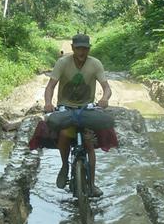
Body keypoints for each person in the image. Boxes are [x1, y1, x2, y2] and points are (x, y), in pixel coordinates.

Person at [43, 33, 112, 196]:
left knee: (89, 145)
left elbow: (107, 87)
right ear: (73, 48)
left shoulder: (95, 64)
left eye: (85, 49)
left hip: (87, 108)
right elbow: (50, 87)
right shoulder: (62, 63)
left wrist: (104, 98)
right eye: (79, 48)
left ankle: (93, 184)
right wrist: (48, 103)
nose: (82, 52)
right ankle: (65, 165)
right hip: (65, 107)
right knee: (65, 135)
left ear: (89, 49)